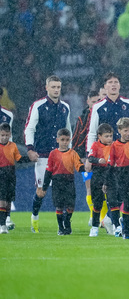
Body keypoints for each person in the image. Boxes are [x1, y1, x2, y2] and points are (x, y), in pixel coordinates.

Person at [25, 75, 71, 233]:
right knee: (41, 191)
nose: (56, 90)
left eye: (58, 87)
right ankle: (35, 217)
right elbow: (29, 128)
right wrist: (30, 148)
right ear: (46, 88)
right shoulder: (38, 106)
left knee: (62, 191)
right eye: (53, 87)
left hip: (61, 155)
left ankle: (64, 224)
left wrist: (69, 150)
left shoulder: (65, 107)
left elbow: (68, 130)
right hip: (43, 155)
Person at [39, 128, 84, 235]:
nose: (65, 142)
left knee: (70, 205)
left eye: (67, 140)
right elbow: (48, 171)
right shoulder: (53, 154)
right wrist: (44, 187)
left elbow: (79, 166)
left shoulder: (73, 153)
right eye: (62, 140)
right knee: (59, 205)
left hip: (69, 181)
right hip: (57, 182)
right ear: (57, 140)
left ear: (70, 140)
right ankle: (60, 228)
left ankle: (67, 222)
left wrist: (86, 169)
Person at [72, 90, 101, 227]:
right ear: (88, 102)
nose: (96, 104)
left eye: (98, 101)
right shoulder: (82, 118)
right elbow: (77, 138)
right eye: (94, 101)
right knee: (89, 188)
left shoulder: (101, 114)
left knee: (102, 188)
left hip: (101, 157)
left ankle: (101, 216)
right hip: (86, 157)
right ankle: (92, 215)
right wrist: (81, 157)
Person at [86, 72, 129, 154]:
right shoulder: (98, 106)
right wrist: (89, 154)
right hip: (105, 152)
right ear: (105, 86)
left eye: (116, 82)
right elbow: (92, 133)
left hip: (126, 151)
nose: (113, 85)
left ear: (119, 85)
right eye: (110, 82)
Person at [0, 123, 30, 234]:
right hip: (1, 175)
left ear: (10, 135)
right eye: (2, 135)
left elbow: (19, 159)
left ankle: (6, 220)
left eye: (6, 135)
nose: (4, 137)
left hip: (11, 175)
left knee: (8, 201)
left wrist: (30, 158)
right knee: (2, 201)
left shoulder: (13, 146)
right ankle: (2, 225)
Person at [87, 123, 114, 237]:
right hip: (98, 174)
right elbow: (90, 158)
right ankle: (94, 226)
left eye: (111, 136)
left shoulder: (114, 146)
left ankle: (111, 223)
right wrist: (98, 160)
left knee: (113, 201)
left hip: (110, 173)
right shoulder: (95, 146)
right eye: (107, 136)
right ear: (99, 136)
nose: (109, 139)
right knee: (97, 203)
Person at [0, 89, 15, 230]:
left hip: (5, 160)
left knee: (6, 193)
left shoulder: (7, 115)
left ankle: (7, 218)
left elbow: (10, 137)